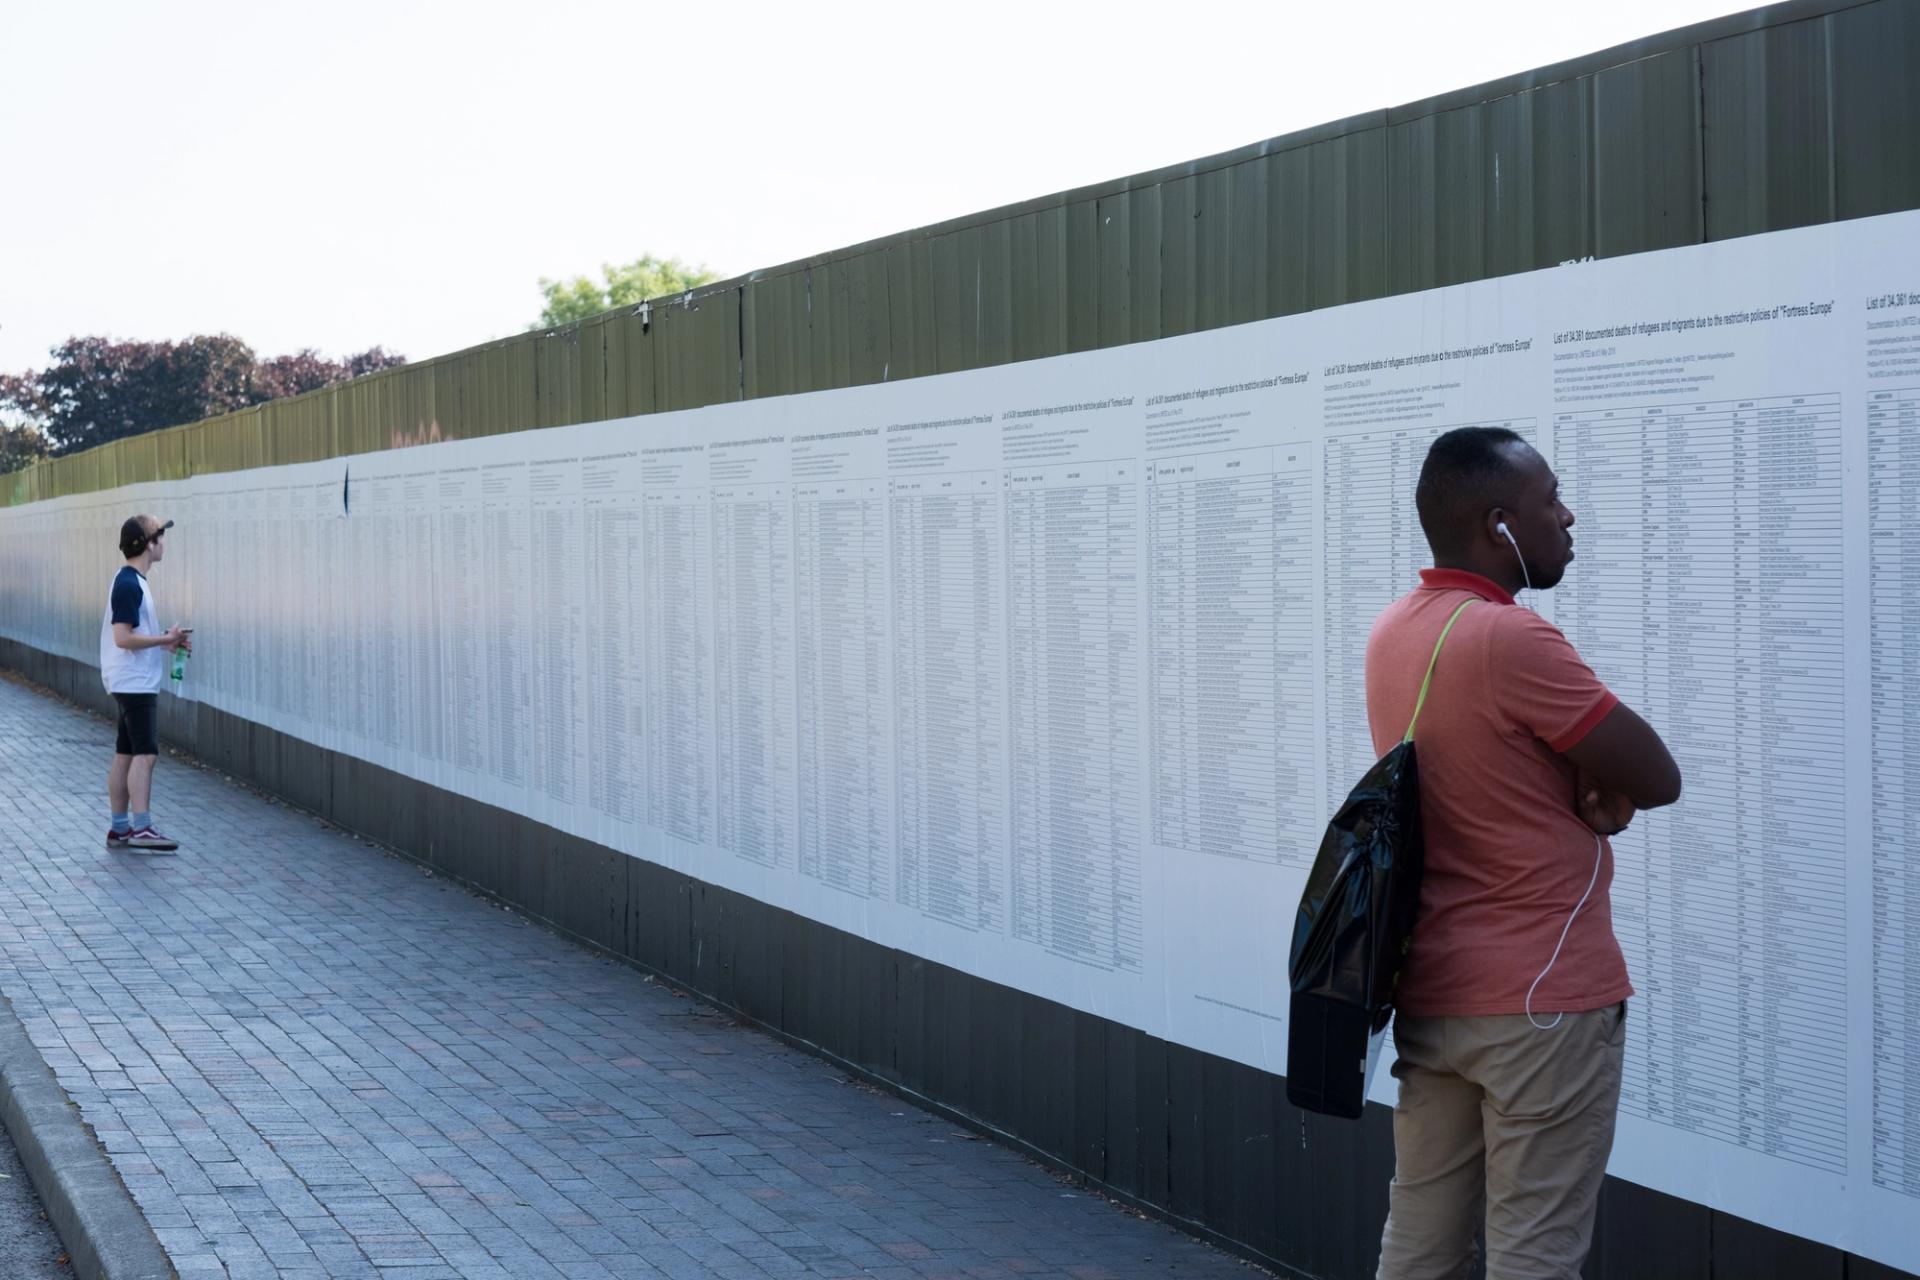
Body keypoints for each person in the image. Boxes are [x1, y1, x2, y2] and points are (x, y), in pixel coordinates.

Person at [1365, 427, 1681, 1280]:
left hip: (1434, 993)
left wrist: (1582, 783)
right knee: (1534, 1256)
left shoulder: (1396, 629)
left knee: (1418, 1246)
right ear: (1499, 525)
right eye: (1551, 500)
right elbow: (1657, 777)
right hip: (1542, 1006)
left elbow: (1486, 775)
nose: (1568, 517)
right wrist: (1597, 788)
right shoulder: (1512, 640)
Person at [100, 514, 190, 853]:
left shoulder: (131, 581)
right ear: (148, 544)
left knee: (125, 753)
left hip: (129, 680)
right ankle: (142, 827)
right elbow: (123, 638)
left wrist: (166, 642)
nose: (163, 543)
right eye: (160, 537)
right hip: (135, 683)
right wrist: (164, 639)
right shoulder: (129, 585)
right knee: (146, 754)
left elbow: (132, 635)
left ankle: (120, 828)